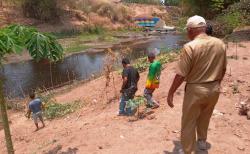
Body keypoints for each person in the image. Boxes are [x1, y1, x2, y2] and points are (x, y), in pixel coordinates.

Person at [167, 15, 227, 154]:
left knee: (188, 121)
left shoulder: (190, 46)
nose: (187, 33)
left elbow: (181, 74)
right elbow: (223, 69)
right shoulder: (220, 44)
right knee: (205, 116)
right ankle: (201, 142)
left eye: (187, 30)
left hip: (196, 89)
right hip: (214, 88)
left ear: (191, 30)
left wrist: (170, 93)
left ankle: (188, 150)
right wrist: (217, 84)